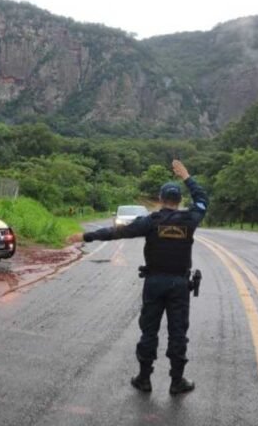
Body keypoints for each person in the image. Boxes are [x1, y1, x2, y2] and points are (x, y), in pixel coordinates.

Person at [67, 160, 208, 395]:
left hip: (154, 283)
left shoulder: (150, 222)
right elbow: (203, 200)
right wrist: (187, 177)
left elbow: (116, 232)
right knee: (178, 333)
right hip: (179, 285)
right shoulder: (189, 220)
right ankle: (177, 381)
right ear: (180, 201)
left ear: (160, 199)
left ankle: (144, 378)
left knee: (149, 330)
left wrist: (86, 235)